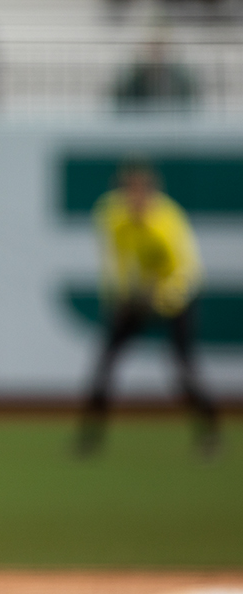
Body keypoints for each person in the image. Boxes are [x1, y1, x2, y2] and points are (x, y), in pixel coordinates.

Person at [76, 161, 219, 457]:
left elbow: (189, 271)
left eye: (141, 193)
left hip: (177, 298)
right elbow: (115, 260)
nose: (135, 199)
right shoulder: (111, 215)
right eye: (129, 192)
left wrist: (160, 299)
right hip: (136, 297)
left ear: (152, 194)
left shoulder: (168, 223)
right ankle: (89, 438)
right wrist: (120, 297)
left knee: (183, 370)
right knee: (105, 364)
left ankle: (210, 435)